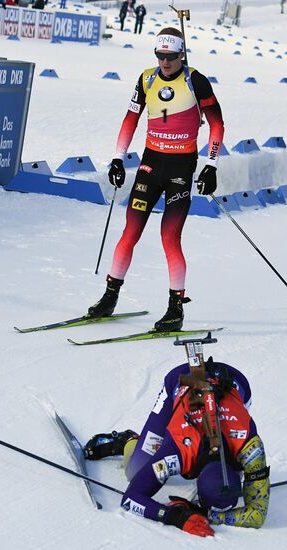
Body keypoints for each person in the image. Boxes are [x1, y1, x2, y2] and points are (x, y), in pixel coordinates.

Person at [87, 27, 224, 331]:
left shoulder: (195, 80)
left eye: (171, 56)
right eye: (160, 55)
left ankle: (175, 309)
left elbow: (217, 124)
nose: (165, 62)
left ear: (181, 55)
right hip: (150, 164)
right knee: (130, 232)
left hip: (180, 168)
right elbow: (130, 119)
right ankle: (110, 297)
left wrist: (211, 164)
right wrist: (118, 159)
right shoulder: (146, 78)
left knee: (169, 238)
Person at [85, 358, 270, 537]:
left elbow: (258, 517)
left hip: (234, 382)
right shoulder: (178, 453)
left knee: (225, 486)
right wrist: (176, 517)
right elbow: (130, 499)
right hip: (180, 381)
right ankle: (129, 441)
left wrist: (204, 514)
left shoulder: (250, 449)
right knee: (135, 471)